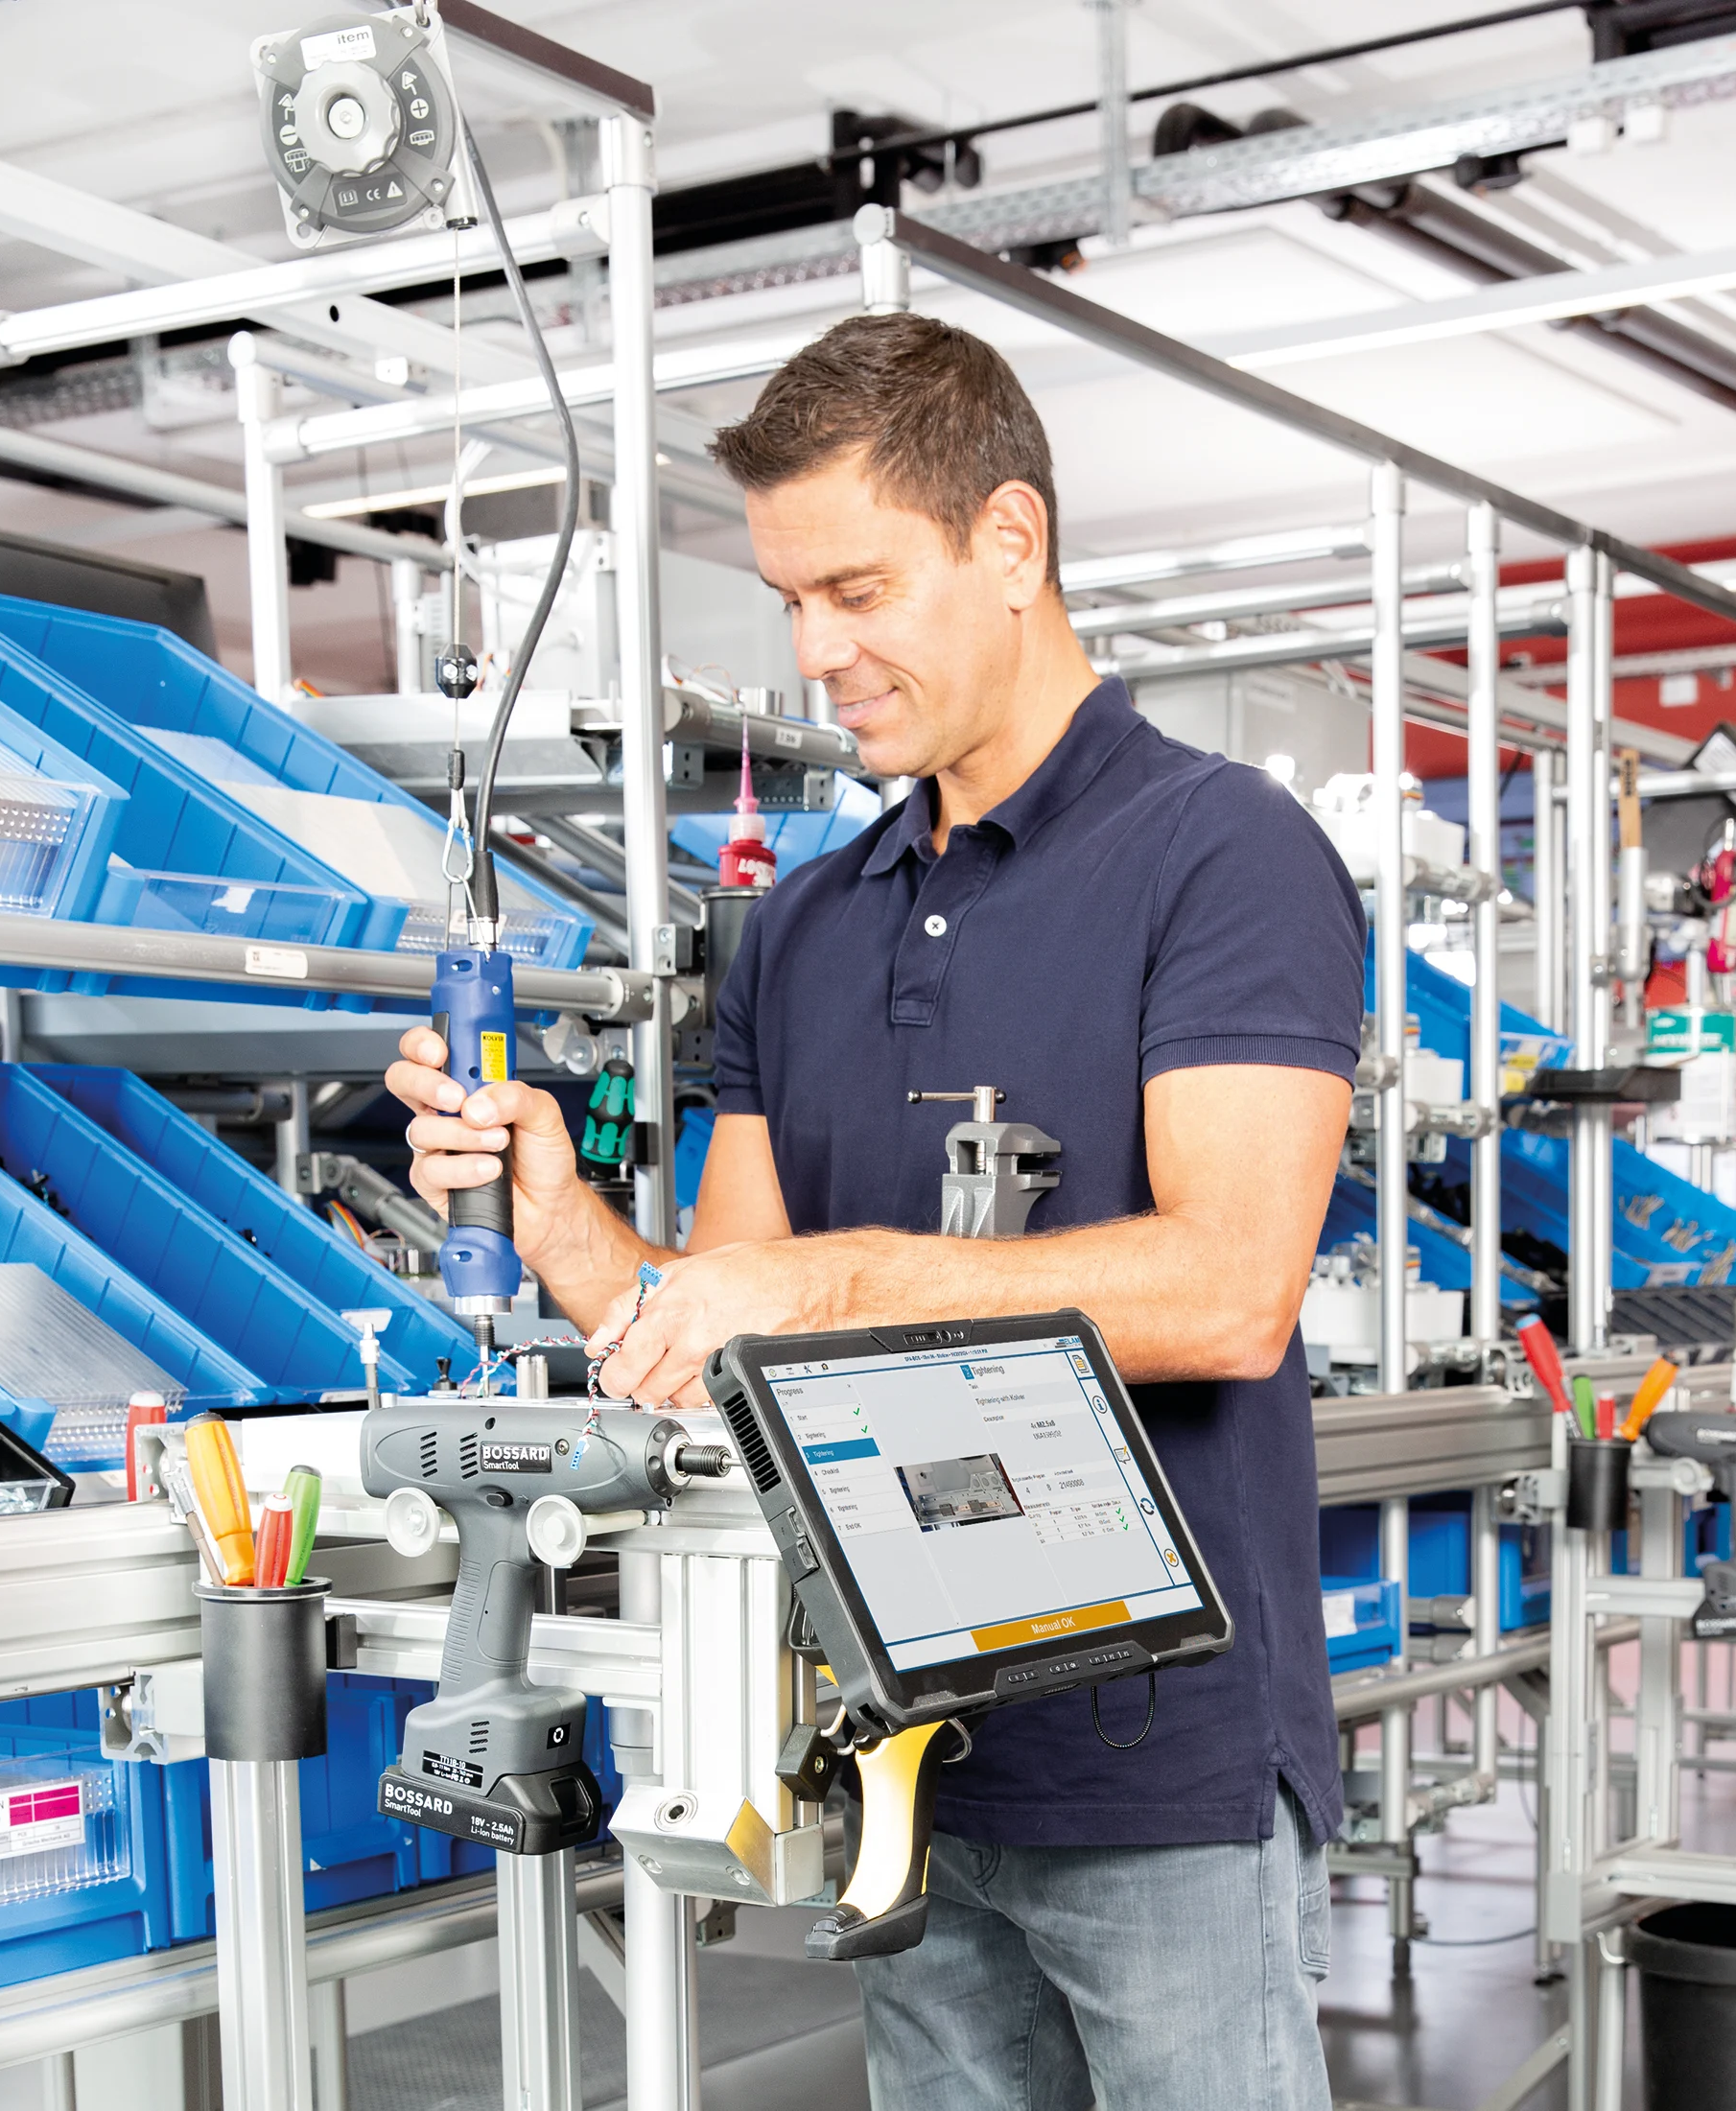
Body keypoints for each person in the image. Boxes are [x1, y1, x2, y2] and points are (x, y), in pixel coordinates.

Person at [386, 311, 1366, 2110]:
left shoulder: (1221, 854)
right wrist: (564, 1225)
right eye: (789, 603)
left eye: (856, 588)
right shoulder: (807, 926)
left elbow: (1231, 1291)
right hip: (900, 1749)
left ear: (1009, 542)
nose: (818, 652)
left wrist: (824, 1281)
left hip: (1155, 1769)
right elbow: (707, 1328)